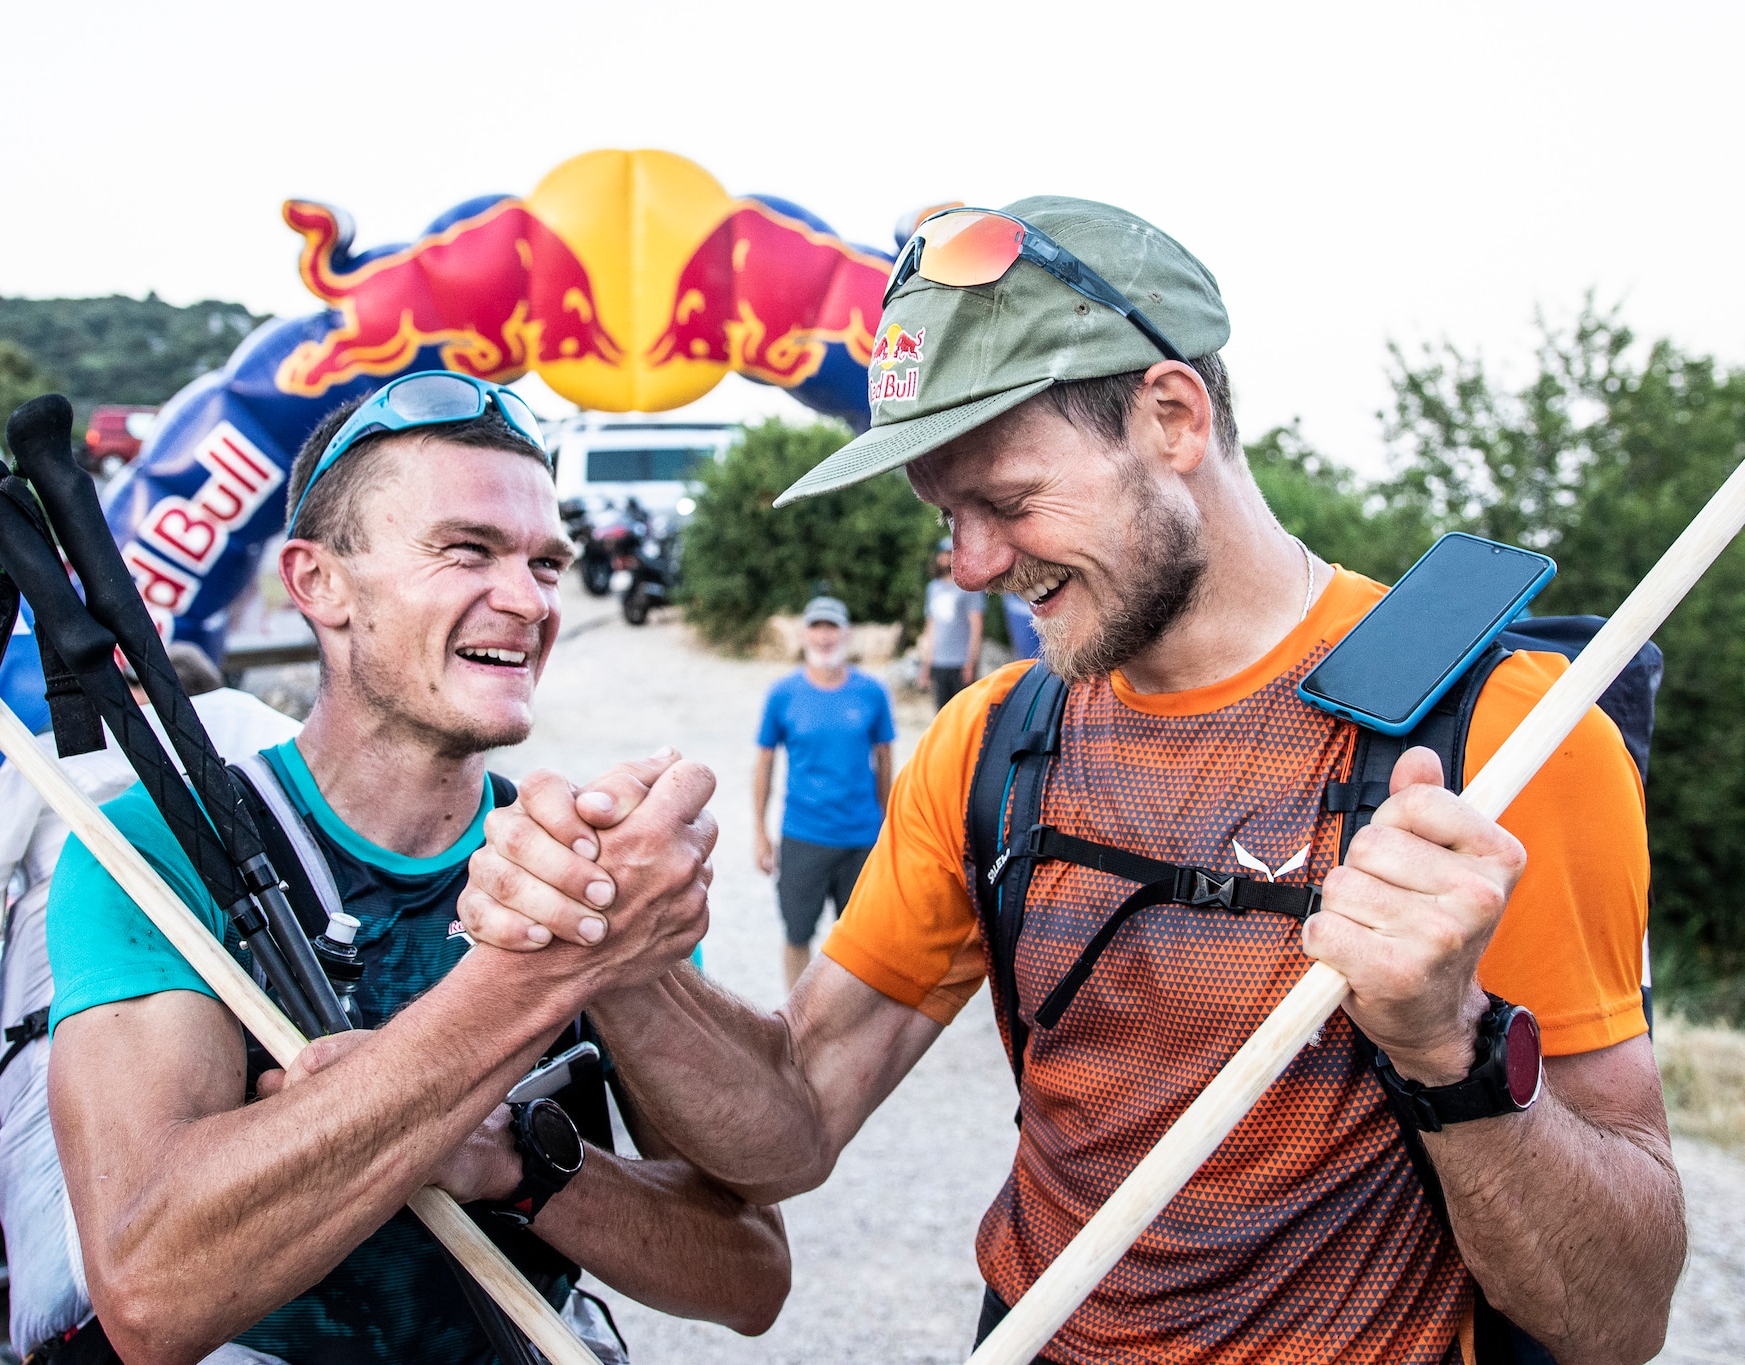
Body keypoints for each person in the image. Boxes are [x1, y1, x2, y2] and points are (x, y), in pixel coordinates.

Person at [458, 199, 1686, 1365]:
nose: (973, 565)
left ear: (1170, 417)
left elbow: (1614, 1315)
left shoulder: (1504, 739)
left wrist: (1446, 1044)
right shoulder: (990, 742)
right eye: (946, 516)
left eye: (1005, 502)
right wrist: (616, 953)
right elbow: (791, 1122)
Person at [43, 373, 788, 1365]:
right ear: (319, 584)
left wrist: (513, 1164)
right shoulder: (159, 850)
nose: (526, 602)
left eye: (545, 562)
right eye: (466, 550)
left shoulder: (573, 861)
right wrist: (544, 975)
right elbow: (150, 1296)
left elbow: (747, 1277)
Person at [0, 643, 301, 1356]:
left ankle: (70, 1324)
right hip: (240, 927)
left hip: (61, 947)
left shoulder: (49, 751)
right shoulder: (247, 719)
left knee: (73, 1166)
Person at [753, 596, 896, 987]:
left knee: (860, 943)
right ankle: (796, 1022)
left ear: (846, 634)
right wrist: (760, 833)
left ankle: (846, 1023)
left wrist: (890, 827)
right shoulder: (783, 694)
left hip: (862, 837)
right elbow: (764, 764)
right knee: (797, 934)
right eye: (816, 626)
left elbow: (885, 762)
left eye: (832, 627)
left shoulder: (872, 693)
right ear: (803, 636)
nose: (824, 635)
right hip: (803, 836)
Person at [919, 536, 986, 707]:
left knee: (963, 712)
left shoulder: (968, 587)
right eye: (942, 553)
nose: (945, 557)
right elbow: (930, 628)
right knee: (942, 715)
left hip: (960, 662)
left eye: (950, 553)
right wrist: (926, 665)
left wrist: (971, 662)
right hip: (939, 661)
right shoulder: (933, 588)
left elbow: (976, 627)